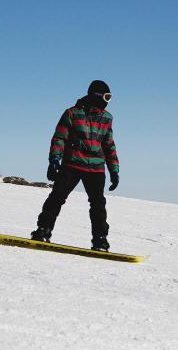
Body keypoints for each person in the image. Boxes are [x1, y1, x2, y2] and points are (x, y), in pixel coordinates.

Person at [30, 80, 119, 252]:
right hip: (72, 163)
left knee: (98, 204)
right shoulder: (72, 113)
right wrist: (54, 161)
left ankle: (100, 240)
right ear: (96, 96)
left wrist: (114, 170)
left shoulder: (107, 118)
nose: (108, 101)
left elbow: (109, 145)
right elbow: (59, 138)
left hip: (96, 168)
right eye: (106, 96)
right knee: (57, 197)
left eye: (110, 97)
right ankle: (43, 230)